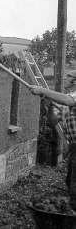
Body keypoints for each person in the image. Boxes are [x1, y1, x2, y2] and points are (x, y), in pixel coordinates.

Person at [29, 70, 76, 210]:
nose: (64, 78)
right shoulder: (67, 105)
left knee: (75, 184)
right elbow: (53, 121)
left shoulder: (71, 98)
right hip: (74, 147)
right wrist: (49, 106)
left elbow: (68, 100)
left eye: (68, 76)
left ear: (75, 81)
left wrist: (43, 90)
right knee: (70, 181)